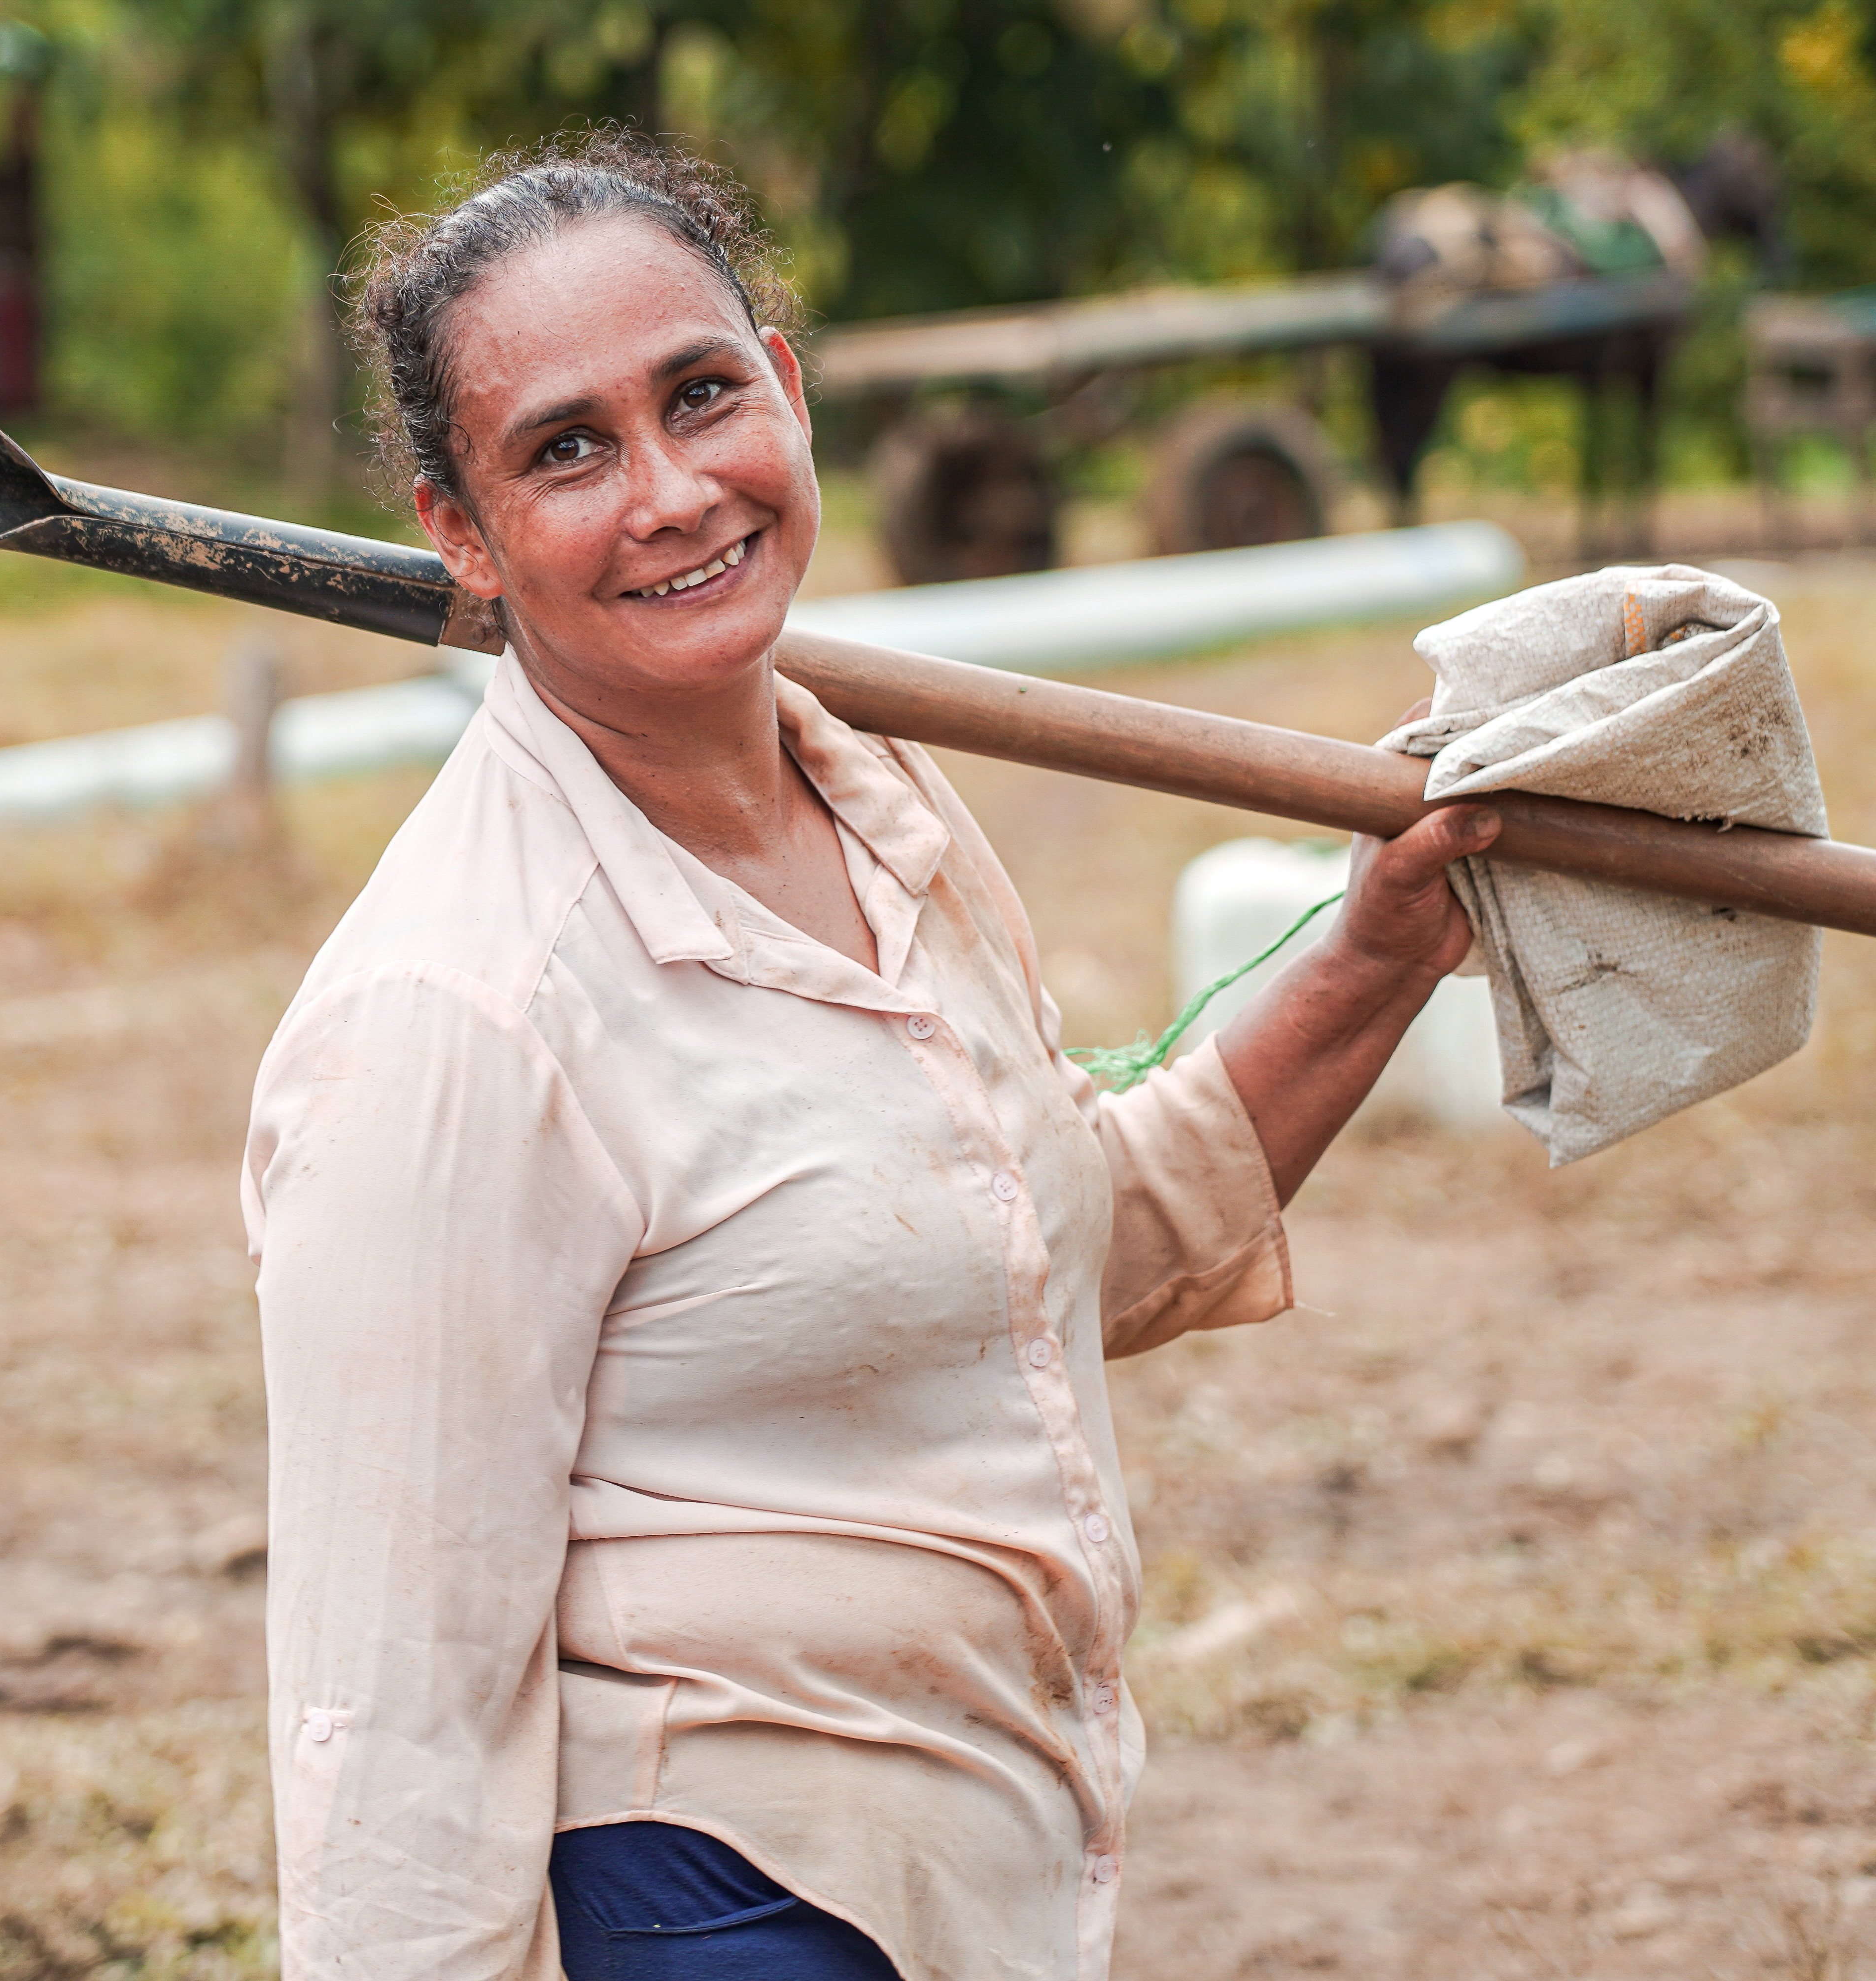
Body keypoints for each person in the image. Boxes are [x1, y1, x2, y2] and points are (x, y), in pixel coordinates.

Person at [240, 134, 1497, 1981]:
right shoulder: (456, 1012)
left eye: (700, 395)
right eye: (568, 451)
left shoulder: (883, 812)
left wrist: (1385, 949)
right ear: (461, 533)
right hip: (713, 1907)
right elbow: (389, 1715)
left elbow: (1048, 1256)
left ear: (790, 392)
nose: (673, 492)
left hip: (970, 1873)